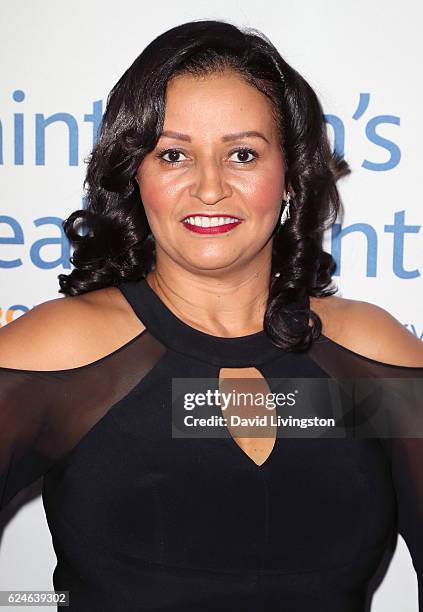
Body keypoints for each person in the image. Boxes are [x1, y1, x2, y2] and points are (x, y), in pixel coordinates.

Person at [0, 18, 422, 612]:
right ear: (134, 174)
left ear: (290, 179)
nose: (209, 186)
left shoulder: (372, 353)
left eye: (242, 154)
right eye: (173, 154)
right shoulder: (62, 349)